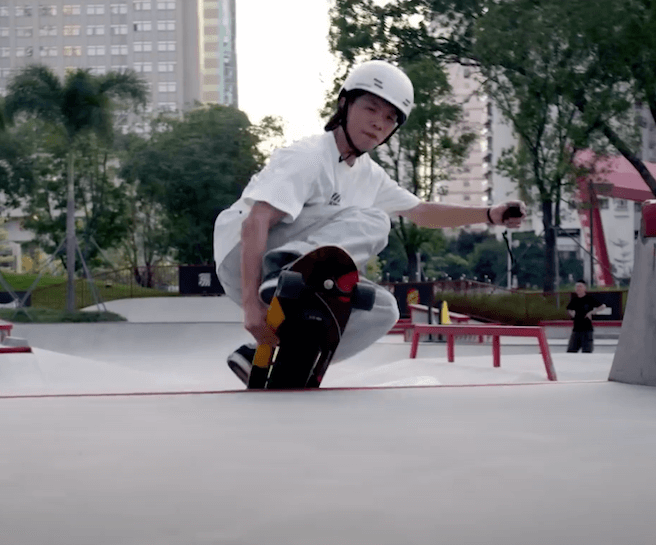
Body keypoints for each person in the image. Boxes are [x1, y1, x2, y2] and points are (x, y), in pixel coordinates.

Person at [213, 60, 526, 384]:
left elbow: (421, 212)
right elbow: (256, 220)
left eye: (390, 118)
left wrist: (489, 214)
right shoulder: (307, 156)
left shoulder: (370, 176)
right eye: (371, 109)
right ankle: (290, 268)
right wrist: (251, 304)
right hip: (245, 253)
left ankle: (281, 354)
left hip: (277, 280)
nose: (379, 123)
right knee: (376, 220)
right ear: (344, 104)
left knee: (383, 309)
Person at [565, 279, 607, 353]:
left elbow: (603, 306)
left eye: (580, 286)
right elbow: (569, 309)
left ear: (584, 288)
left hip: (587, 330)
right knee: (571, 351)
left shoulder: (589, 298)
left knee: (587, 352)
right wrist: (572, 313)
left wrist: (591, 312)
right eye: (577, 287)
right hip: (576, 329)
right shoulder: (574, 300)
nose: (578, 288)